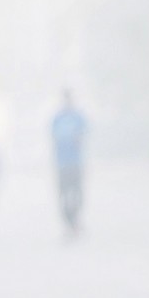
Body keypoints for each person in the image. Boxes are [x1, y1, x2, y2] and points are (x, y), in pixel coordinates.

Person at [51, 89, 89, 236]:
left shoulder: (78, 117)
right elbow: (53, 138)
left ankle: (76, 220)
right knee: (63, 195)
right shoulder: (57, 118)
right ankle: (68, 223)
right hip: (62, 163)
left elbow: (85, 135)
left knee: (78, 193)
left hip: (76, 162)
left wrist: (78, 139)